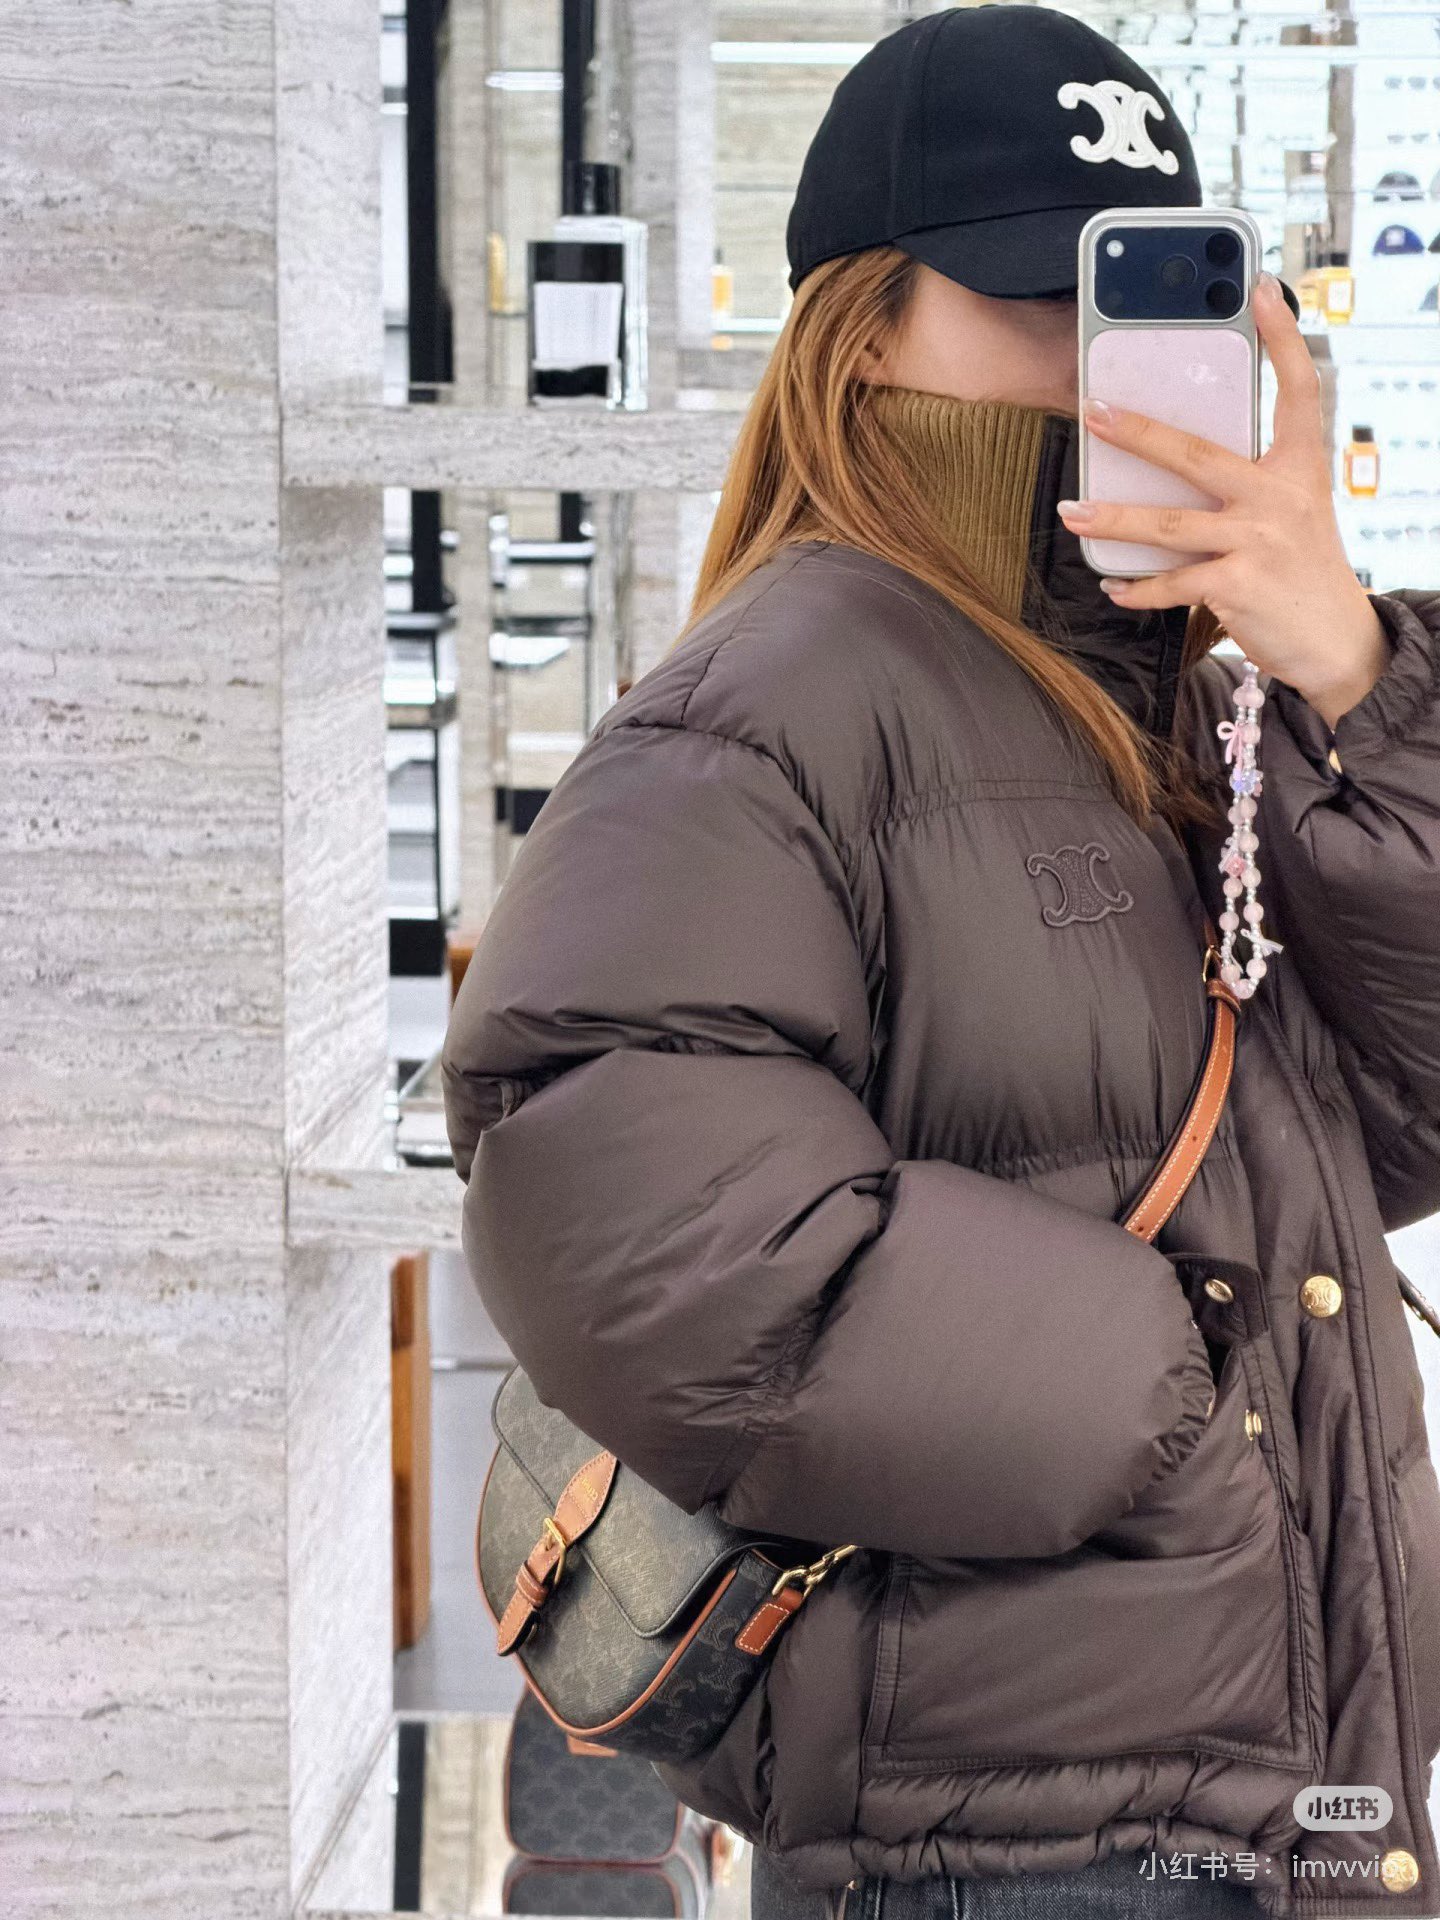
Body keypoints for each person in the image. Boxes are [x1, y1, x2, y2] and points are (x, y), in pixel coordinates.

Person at [442, 9, 1440, 1918]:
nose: (1096, 365)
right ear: (861, 336)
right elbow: (618, 1197)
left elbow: (1395, 1108)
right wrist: (1172, 1377)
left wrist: (1352, 672)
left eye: (1137, 303)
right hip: (1013, 1834)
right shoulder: (781, 698)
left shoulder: (1179, 717)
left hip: (1262, 1783)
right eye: (1034, 298)